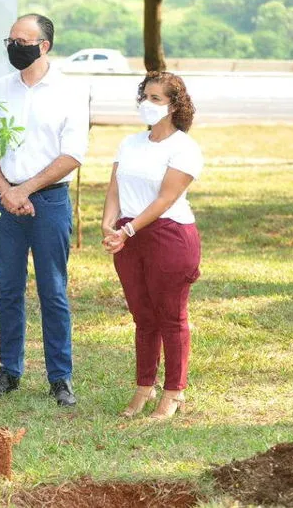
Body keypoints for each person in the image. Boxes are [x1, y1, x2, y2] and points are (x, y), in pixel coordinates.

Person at [0, 14, 89, 407]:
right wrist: (7, 191)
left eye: (21, 41)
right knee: (7, 291)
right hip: (4, 202)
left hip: (49, 202)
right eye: (9, 40)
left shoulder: (70, 92)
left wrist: (25, 189)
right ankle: (9, 370)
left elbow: (72, 154)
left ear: (44, 46)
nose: (13, 47)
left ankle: (60, 377)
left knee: (52, 291)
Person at [101, 71, 203, 419]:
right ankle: (144, 386)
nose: (148, 103)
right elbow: (115, 187)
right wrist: (108, 223)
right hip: (129, 237)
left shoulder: (185, 148)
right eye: (145, 96)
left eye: (156, 98)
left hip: (169, 236)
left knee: (171, 317)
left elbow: (164, 199)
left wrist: (127, 230)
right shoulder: (129, 143)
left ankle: (175, 392)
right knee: (143, 317)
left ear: (174, 105)